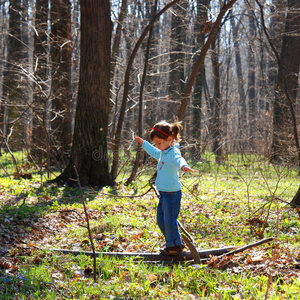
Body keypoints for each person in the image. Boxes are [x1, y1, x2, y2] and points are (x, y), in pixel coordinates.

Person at [135, 120, 194, 255]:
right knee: (161, 220)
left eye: (159, 143)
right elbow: (154, 152)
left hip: (172, 195)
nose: (158, 146)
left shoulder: (173, 152)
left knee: (169, 221)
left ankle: (175, 247)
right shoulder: (163, 151)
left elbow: (179, 160)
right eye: (156, 143)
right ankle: (173, 243)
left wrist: (183, 166)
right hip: (164, 194)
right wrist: (143, 143)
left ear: (169, 139)